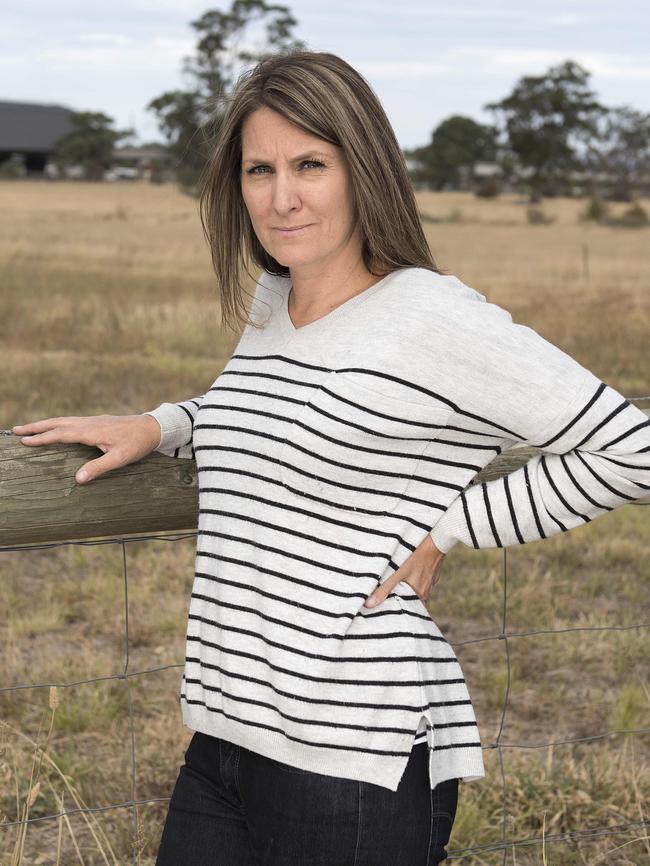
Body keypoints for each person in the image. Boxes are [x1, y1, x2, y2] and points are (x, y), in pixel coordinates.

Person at [12, 50, 650, 866]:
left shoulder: (430, 313)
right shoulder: (276, 302)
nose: (281, 197)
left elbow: (630, 448)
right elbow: (274, 421)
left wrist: (454, 528)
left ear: (364, 168)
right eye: (259, 169)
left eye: (310, 164)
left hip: (354, 758)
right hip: (227, 734)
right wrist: (165, 423)